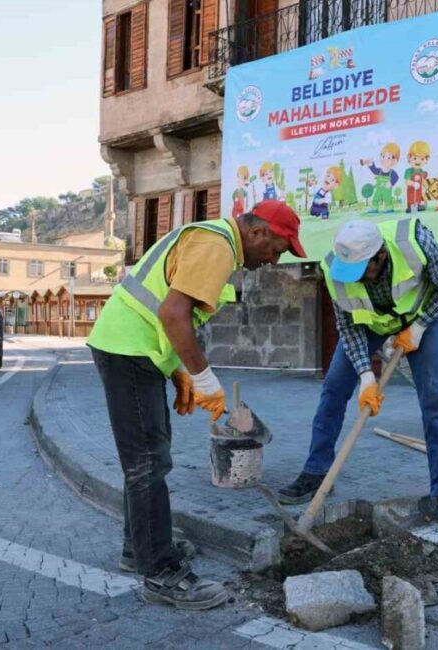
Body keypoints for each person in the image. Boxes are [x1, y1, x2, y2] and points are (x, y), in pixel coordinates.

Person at [86, 200, 306, 610]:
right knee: (148, 463)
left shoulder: (215, 240)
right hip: (129, 351)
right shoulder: (217, 245)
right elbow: (173, 314)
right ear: (258, 233)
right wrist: (203, 377)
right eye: (277, 248)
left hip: (137, 351)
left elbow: (164, 309)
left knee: (150, 458)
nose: (275, 259)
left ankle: (139, 548)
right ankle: (161, 573)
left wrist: (177, 372)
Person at [277, 218, 438, 537]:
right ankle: (316, 472)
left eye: (362, 270)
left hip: (419, 320)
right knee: (333, 390)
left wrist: (420, 326)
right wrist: (367, 376)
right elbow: (348, 328)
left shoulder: (414, 242)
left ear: (380, 255)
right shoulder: (334, 269)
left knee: (437, 401)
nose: (357, 279)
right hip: (368, 326)